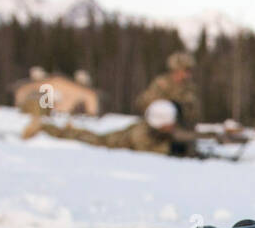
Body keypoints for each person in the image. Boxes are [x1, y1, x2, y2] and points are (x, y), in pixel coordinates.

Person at [22, 52, 199, 154]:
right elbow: (143, 104)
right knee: (101, 141)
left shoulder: (189, 90)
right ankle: (50, 130)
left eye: (188, 71)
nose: (186, 75)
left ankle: (59, 130)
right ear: (176, 69)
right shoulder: (162, 84)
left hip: (171, 137)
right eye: (184, 70)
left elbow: (192, 116)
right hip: (148, 135)